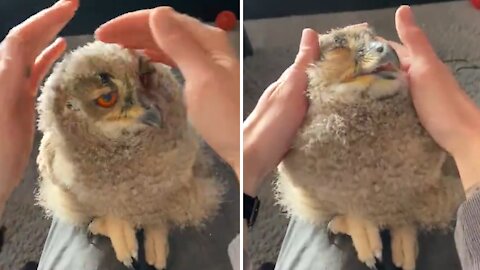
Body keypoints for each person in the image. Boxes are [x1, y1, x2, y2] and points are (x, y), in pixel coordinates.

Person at [0, 0, 240, 269]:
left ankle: (154, 220)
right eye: (106, 99)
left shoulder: (173, 122)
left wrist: (160, 215)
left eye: (148, 85)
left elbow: (193, 184)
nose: (144, 107)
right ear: (70, 109)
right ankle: (113, 217)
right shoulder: (63, 144)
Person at [244, 5, 480, 270]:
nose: (378, 51)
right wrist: (470, 139)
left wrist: (246, 159)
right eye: (343, 51)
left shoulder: (420, 112)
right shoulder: (308, 124)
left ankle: (398, 218)